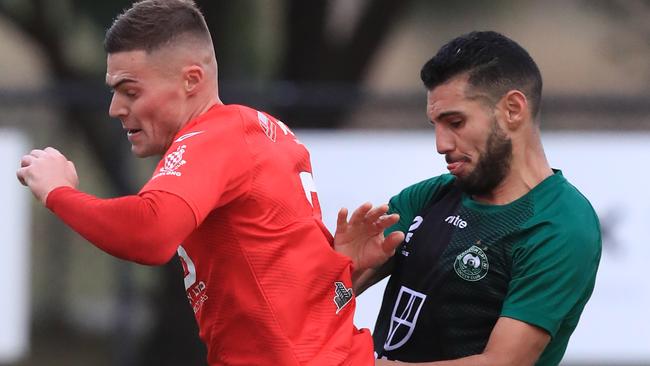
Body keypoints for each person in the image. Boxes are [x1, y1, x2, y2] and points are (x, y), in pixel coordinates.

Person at [16, 0, 404, 365]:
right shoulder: (263, 130)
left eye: (130, 91)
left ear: (191, 80)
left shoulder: (214, 137)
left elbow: (149, 232)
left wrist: (57, 192)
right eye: (114, 91)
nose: (115, 108)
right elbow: (291, 275)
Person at [351, 31, 602, 366]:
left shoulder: (560, 225)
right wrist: (341, 271)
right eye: (435, 125)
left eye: (455, 122)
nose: (440, 144)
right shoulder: (428, 196)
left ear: (512, 109)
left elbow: (503, 362)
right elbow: (331, 298)